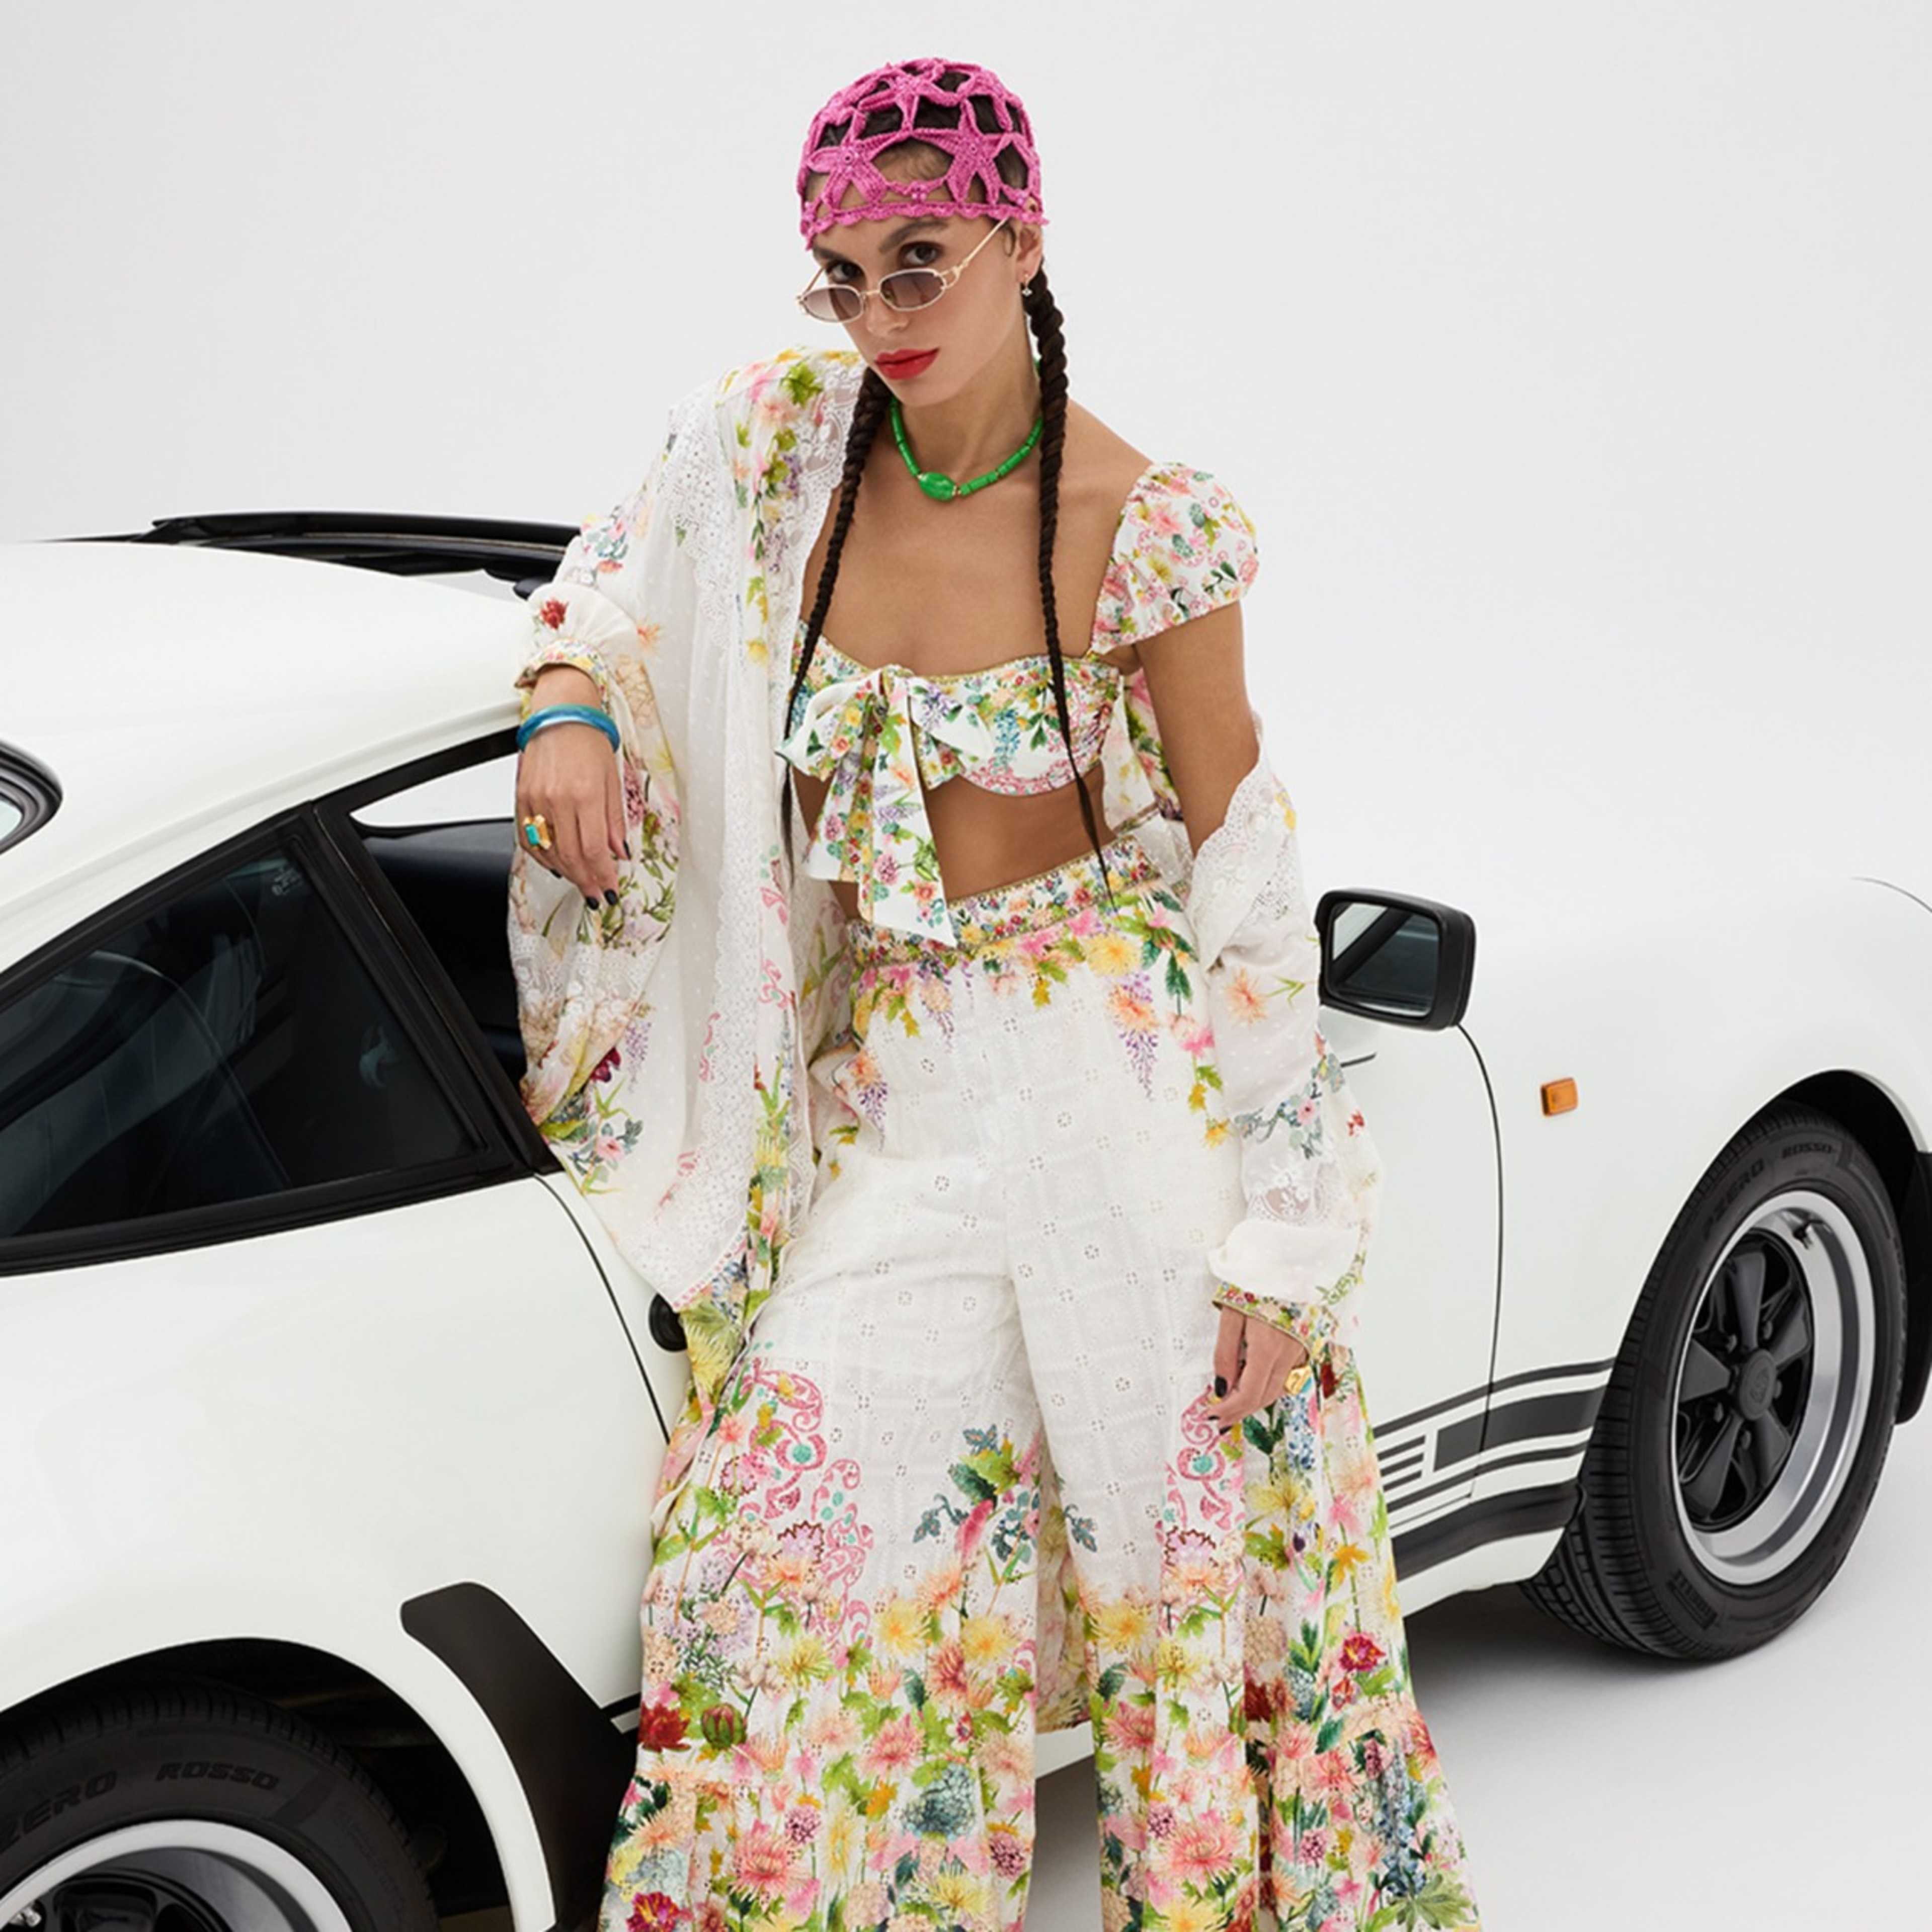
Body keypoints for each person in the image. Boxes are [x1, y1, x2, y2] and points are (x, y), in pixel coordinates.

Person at [509, 55, 1483, 1932]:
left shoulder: (1144, 518)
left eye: (921, 261)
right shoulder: (779, 448)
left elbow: (1244, 876)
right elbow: (612, 578)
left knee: (1183, 1582)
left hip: (1122, 1083)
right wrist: (569, 700)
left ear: (1024, 240)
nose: (881, 313)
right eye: (844, 274)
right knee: (767, 1563)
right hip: (895, 1090)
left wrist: (1284, 1235)